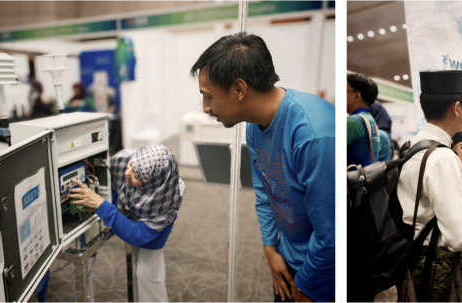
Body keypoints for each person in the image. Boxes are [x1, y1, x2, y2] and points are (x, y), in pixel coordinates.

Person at [190, 32, 334, 302]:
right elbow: (265, 190)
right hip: (287, 260)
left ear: (239, 89)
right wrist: (270, 248)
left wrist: (307, 287)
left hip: (323, 274)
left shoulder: (314, 136)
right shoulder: (255, 127)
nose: (205, 108)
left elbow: (332, 234)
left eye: (208, 97)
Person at [397, 70, 462, 301]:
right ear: (457, 108)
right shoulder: (443, 157)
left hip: (411, 259)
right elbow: (458, 237)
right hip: (434, 266)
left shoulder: (414, 145)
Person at [69, 145, 184, 302]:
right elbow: (115, 187)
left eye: (136, 176)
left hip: (153, 225)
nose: (127, 174)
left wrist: (103, 206)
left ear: (150, 184)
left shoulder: (164, 204)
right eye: (130, 166)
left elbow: (139, 235)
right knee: (139, 268)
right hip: (137, 209)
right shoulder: (122, 161)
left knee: (146, 274)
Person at [347, 73, 390, 166]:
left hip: (351, 178)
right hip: (364, 177)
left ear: (356, 96)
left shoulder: (353, 121)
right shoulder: (370, 120)